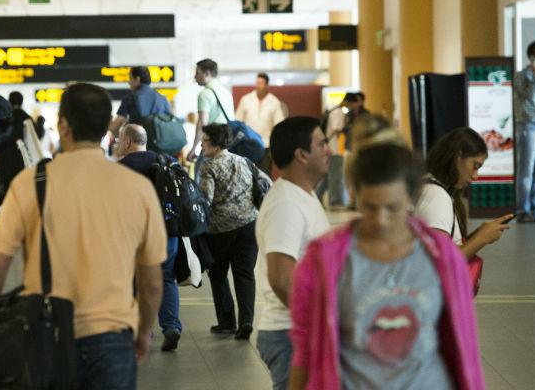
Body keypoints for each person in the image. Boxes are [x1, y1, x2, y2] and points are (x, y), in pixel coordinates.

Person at [0, 83, 166, 390]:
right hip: (113, 336)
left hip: (45, 334)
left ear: (62, 125)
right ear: (107, 128)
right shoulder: (138, 188)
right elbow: (152, 281)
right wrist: (143, 331)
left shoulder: (29, 183)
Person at [288, 143, 486, 390]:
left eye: (392, 207)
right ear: (356, 194)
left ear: (412, 198)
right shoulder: (323, 260)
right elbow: (305, 347)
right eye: (370, 207)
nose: (381, 220)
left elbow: (464, 343)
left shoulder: (442, 257)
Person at [254, 117, 330, 390]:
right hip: (290, 333)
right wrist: (319, 321)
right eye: (321, 143)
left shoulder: (303, 196)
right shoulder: (286, 204)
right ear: (301, 155)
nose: (328, 150)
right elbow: (281, 279)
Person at [117, 123, 182, 352]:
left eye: (118, 139)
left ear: (127, 142)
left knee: (136, 281)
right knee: (166, 278)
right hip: (168, 231)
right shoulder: (166, 161)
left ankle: (143, 328)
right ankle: (172, 326)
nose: (117, 143)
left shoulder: (122, 167)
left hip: (137, 234)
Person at [198, 123, 260, 340]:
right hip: (249, 225)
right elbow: (265, 182)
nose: (202, 144)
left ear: (214, 143)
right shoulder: (243, 160)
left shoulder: (209, 166)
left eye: (205, 140)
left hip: (221, 229)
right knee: (245, 274)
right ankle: (246, 321)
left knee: (218, 274)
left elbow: (206, 200)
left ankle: (226, 321)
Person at [417, 127, 513, 258]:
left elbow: (450, 248)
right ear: (458, 155)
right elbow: (440, 264)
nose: (476, 176)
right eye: (475, 166)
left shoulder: (432, 188)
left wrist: (479, 233)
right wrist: (481, 238)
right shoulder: (436, 196)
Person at [513, 40, 535, 222]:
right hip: (528, 127)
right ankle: (522, 211)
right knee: (526, 171)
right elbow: (531, 96)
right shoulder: (522, 76)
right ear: (532, 57)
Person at [186, 58, 234, 168]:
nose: (195, 77)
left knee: (201, 176)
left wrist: (194, 148)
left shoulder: (205, 94)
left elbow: (203, 122)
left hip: (211, 144)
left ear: (207, 73)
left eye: (197, 73)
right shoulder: (226, 92)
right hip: (226, 143)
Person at [109, 66, 172, 134]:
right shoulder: (162, 98)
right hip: (159, 141)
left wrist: (107, 130)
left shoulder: (131, 97)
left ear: (137, 79)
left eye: (130, 78)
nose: (129, 82)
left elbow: (119, 121)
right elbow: (169, 120)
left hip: (138, 141)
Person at [0, 91, 32, 206]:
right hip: (21, 156)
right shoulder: (27, 118)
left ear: (9, 101)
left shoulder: (5, 117)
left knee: (5, 184)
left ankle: (6, 208)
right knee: (20, 182)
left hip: (5, 156)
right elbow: (36, 137)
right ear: (22, 102)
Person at [235, 73, 287, 146]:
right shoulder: (246, 99)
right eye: (257, 83)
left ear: (266, 85)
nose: (258, 86)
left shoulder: (274, 102)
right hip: (248, 143)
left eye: (261, 83)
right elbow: (238, 121)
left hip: (266, 144)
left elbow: (279, 124)